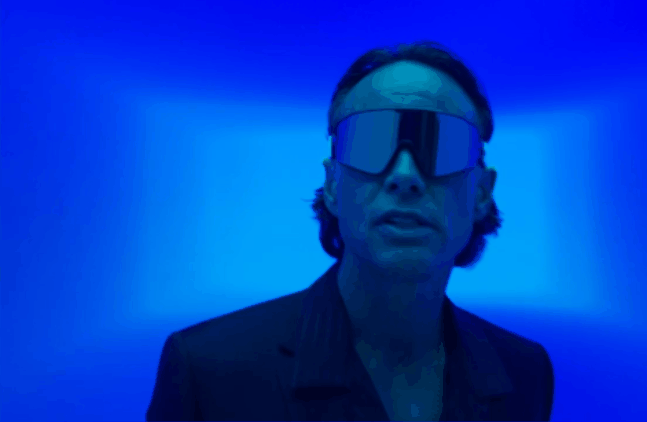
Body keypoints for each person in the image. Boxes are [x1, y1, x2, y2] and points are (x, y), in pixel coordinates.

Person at [146, 41, 555, 421]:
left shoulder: (525, 371)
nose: (405, 174)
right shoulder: (208, 371)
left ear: (482, 192)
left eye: (443, 144)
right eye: (371, 141)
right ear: (332, 185)